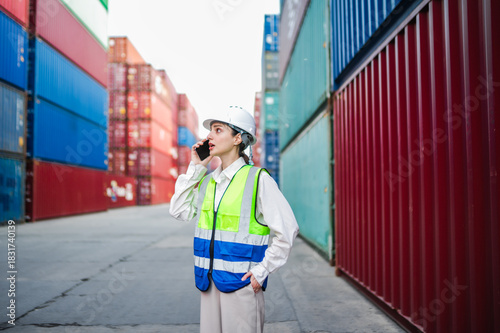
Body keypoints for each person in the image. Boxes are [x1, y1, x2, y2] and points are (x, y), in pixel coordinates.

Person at [169, 106, 299, 333]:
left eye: (218, 130)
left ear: (238, 138)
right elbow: (179, 211)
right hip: (208, 283)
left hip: (242, 286)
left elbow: (287, 230)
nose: (209, 136)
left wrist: (261, 272)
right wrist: (196, 169)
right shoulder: (208, 182)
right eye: (210, 131)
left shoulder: (258, 179)